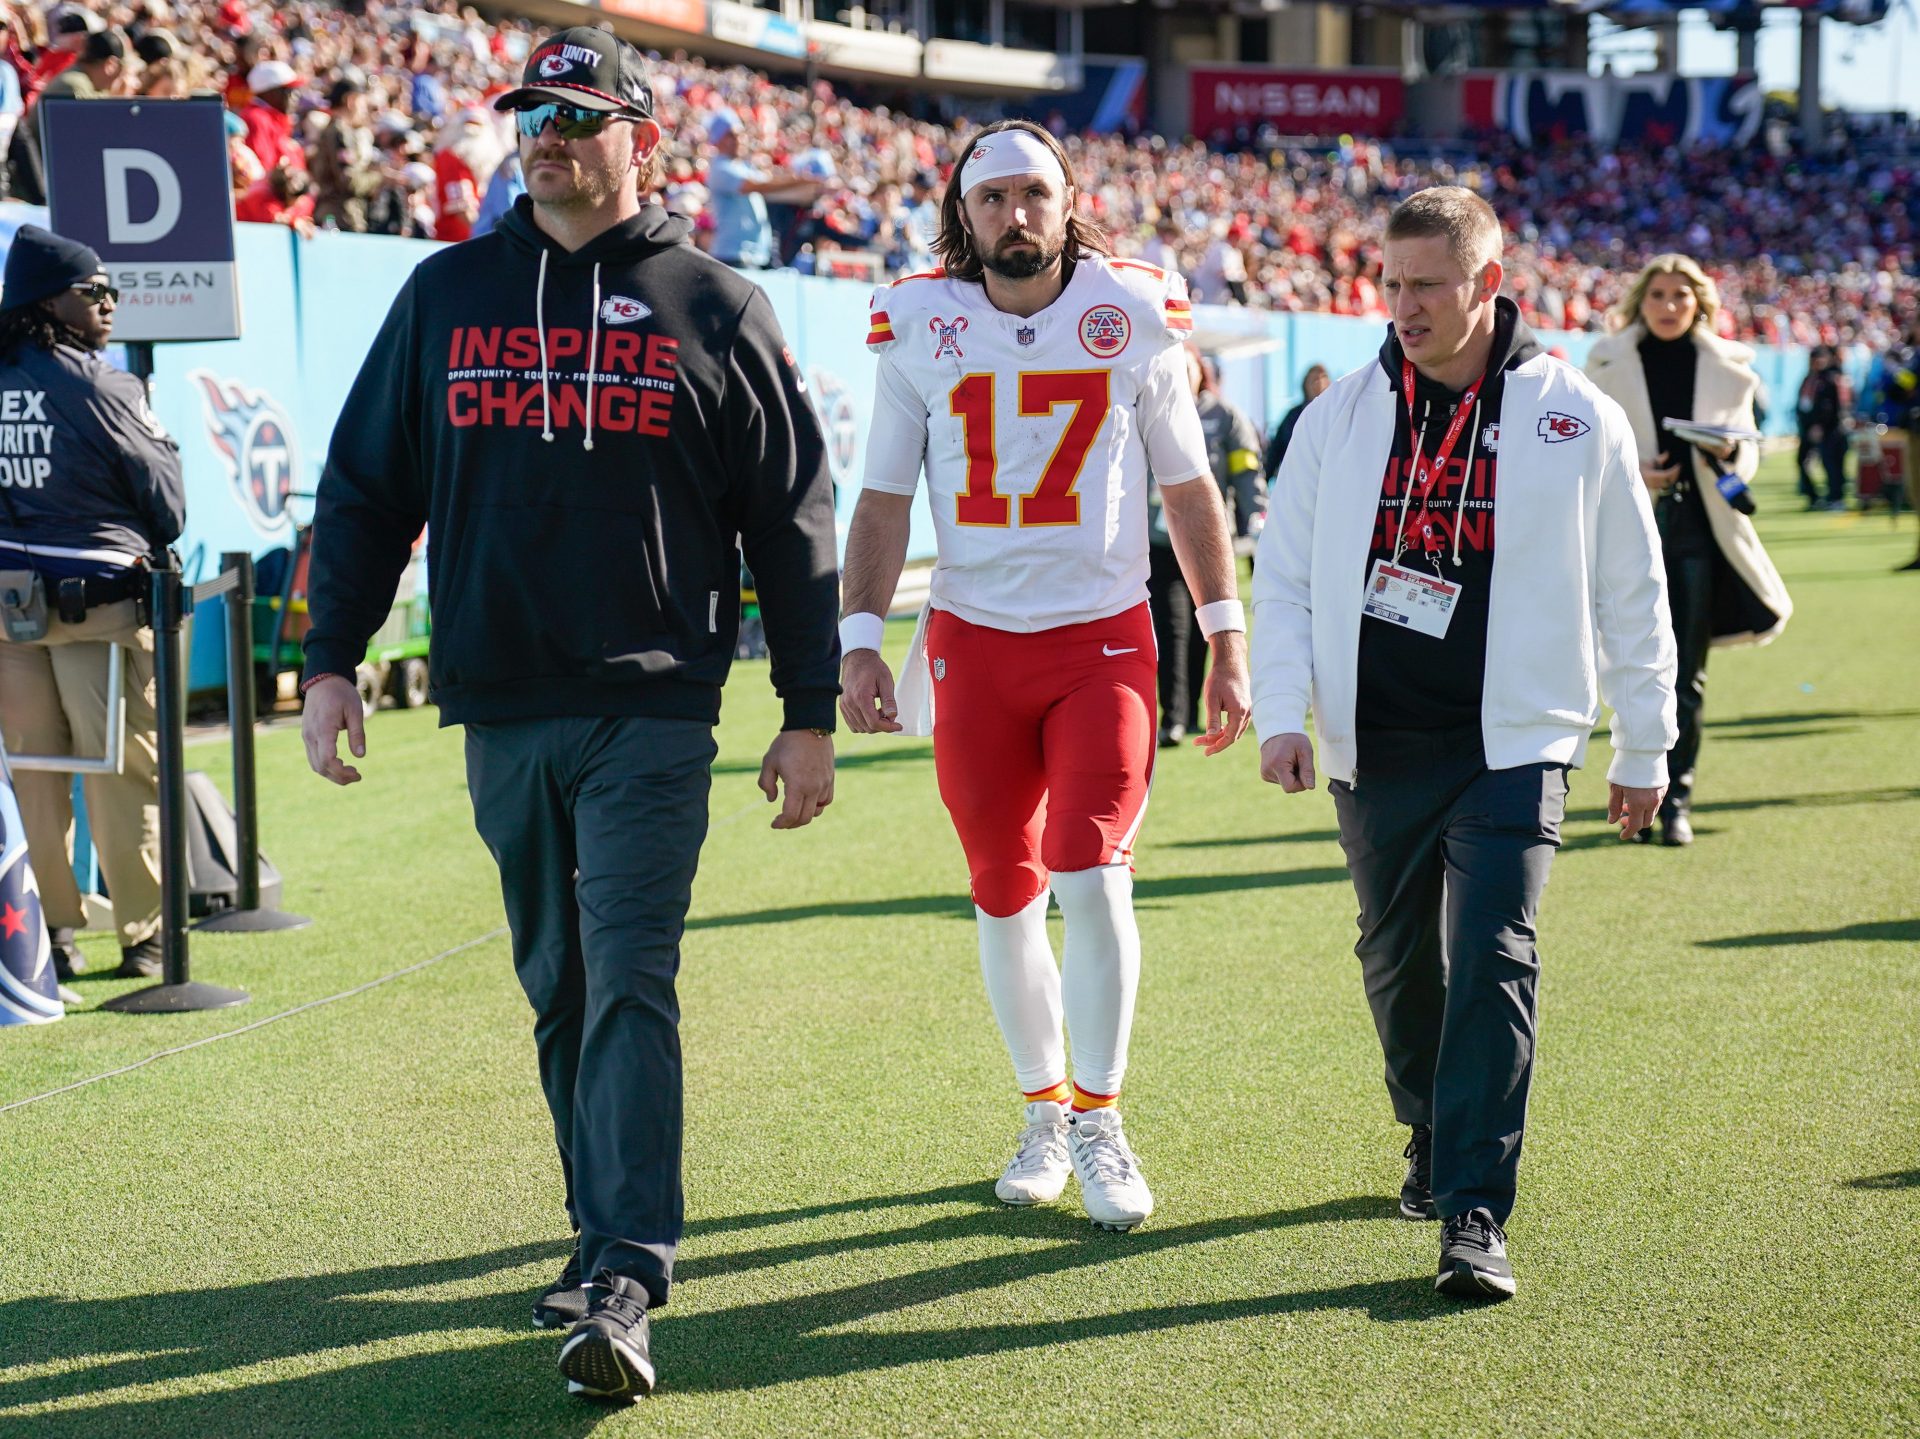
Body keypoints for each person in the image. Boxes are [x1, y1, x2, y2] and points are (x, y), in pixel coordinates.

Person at [297, 27, 839, 1403]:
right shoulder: (443, 293)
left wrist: (809, 705)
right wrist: (333, 659)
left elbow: (788, 518)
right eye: (531, 110)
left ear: (636, 136)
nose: (547, 132)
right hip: (498, 701)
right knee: (562, 983)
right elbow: (366, 490)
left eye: (578, 113)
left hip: (654, 706)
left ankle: (623, 1265)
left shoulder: (716, 301)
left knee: (629, 968)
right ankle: (596, 1223)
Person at [1252, 187, 1678, 1301]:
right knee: (1397, 964)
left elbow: (1634, 589)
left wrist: (1647, 743)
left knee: (1494, 954)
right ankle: (1431, 1128)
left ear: (1487, 283)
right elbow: (1286, 578)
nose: (1404, 304)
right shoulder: (1339, 417)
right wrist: (1281, 711)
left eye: (1427, 283)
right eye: (1391, 283)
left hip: (1516, 738)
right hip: (1375, 737)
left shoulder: (1574, 414)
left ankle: (1476, 1209)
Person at [839, 119, 1250, 1232]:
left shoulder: (1132, 312)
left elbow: (1189, 487)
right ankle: (1042, 1107)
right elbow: (881, 495)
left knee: (1091, 864)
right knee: (1001, 880)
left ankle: (1101, 1113)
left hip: (1099, 638)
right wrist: (860, 636)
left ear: (1067, 201)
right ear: (961, 216)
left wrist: (1224, 634)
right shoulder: (920, 319)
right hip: (972, 640)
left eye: (1033, 194)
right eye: (992, 199)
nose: (1013, 216)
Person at [0, 225, 183, 983]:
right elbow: (168, 505)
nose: (110, 301)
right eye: (94, 290)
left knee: (32, 775)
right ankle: (144, 936)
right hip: (97, 607)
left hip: (9, 611)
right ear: (52, 301)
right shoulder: (107, 385)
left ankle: (50, 935)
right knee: (120, 772)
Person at [1586, 254, 1792, 846]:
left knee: (1685, 678)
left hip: (1701, 532)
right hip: (1627, 531)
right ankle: (1630, 784)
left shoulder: (1728, 367)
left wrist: (1730, 455)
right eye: (1658, 295)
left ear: (1699, 301)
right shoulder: (1604, 364)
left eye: (1681, 295)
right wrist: (1630, 472)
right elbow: (1582, 446)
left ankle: (1675, 801)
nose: (1669, 305)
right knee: (1626, 668)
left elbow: (1746, 446)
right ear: (1640, 301)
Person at [1148, 348, 1262, 747]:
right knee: (1171, 627)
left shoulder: (1225, 416)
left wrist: (1254, 515)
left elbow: (1246, 470)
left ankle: (1198, 713)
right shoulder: (1149, 409)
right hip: (1159, 540)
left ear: (1202, 374)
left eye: (1189, 368)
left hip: (1211, 541)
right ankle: (1174, 718)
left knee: (1207, 631)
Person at [10, 27, 126, 206]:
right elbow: (88, 148)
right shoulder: (75, 87)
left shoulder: (80, 82)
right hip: (36, 194)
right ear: (111, 65)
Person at [703, 109, 820, 269]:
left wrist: (811, 188)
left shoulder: (743, 166)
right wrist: (800, 181)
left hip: (753, 255)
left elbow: (771, 184)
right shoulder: (721, 168)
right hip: (733, 255)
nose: (738, 139)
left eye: (740, 134)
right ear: (717, 140)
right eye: (730, 135)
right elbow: (762, 186)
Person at [1795, 345, 1851, 510]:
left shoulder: (1831, 378)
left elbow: (1832, 407)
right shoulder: (1810, 378)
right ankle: (1814, 497)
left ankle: (1836, 498)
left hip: (1830, 429)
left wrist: (1819, 425)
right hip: (1809, 427)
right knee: (1803, 461)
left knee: (1832, 463)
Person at [1263, 362, 1329, 484]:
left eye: (1323, 378)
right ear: (1305, 385)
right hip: (1298, 482)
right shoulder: (1293, 417)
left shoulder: (1337, 415)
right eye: (1314, 379)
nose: (1319, 383)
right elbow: (1275, 452)